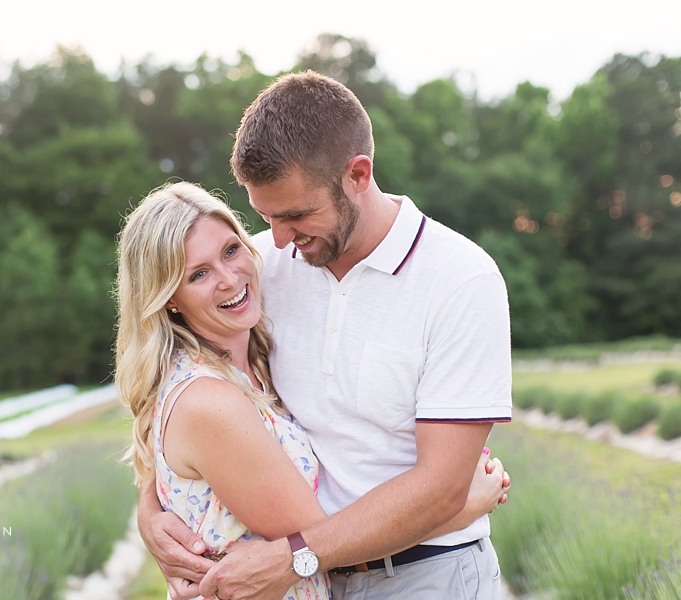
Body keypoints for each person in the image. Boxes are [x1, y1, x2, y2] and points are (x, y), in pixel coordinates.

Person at [136, 71, 514, 600]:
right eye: (266, 217)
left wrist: (294, 557)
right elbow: (179, 413)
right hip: (304, 578)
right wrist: (151, 512)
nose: (281, 238)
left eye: (295, 215)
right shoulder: (259, 265)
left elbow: (442, 488)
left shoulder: (460, 281)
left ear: (358, 175)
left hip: (425, 576)